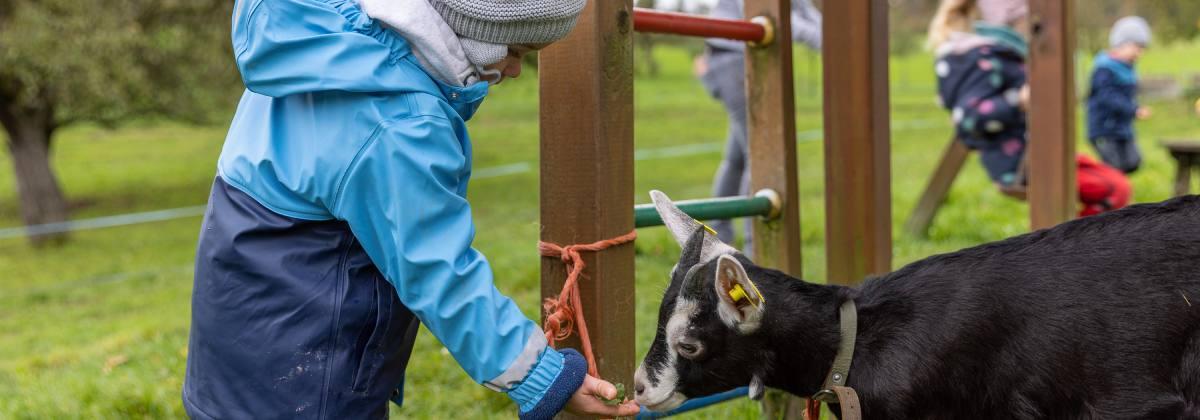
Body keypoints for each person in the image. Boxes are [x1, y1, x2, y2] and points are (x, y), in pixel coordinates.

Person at [181, 0, 640, 419]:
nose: (517, 70)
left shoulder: (320, 42)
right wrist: (542, 378)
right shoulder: (399, 123)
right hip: (308, 371)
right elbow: (439, 273)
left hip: (240, 341)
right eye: (517, 50)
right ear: (473, 28)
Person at [927, 0, 1130, 217]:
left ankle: (1078, 242)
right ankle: (1077, 246)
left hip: (1039, 152)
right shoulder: (982, 58)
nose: (1031, 30)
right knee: (1111, 191)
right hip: (1018, 164)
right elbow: (970, 117)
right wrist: (1019, 100)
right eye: (1027, 23)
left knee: (1120, 185)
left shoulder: (1004, 52)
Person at [698, 0, 822, 254]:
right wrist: (830, 43)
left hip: (743, 57)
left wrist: (831, 36)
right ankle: (756, 248)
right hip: (733, 59)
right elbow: (774, 16)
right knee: (759, 154)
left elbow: (803, 10)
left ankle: (715, 236)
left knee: (737, 159)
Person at [1087, 16, 1152, 174]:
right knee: (1113, 167)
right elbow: (1107, 96)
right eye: (1136, 47)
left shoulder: (1128, 69)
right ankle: (1104, 193)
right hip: (1105, 128)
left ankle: (1115, 192)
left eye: (1142, 48)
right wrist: (1133, 110)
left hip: (1123, 128)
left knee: (1133, 161)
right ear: (1122, 44)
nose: (1139, 53)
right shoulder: (1104, 68)